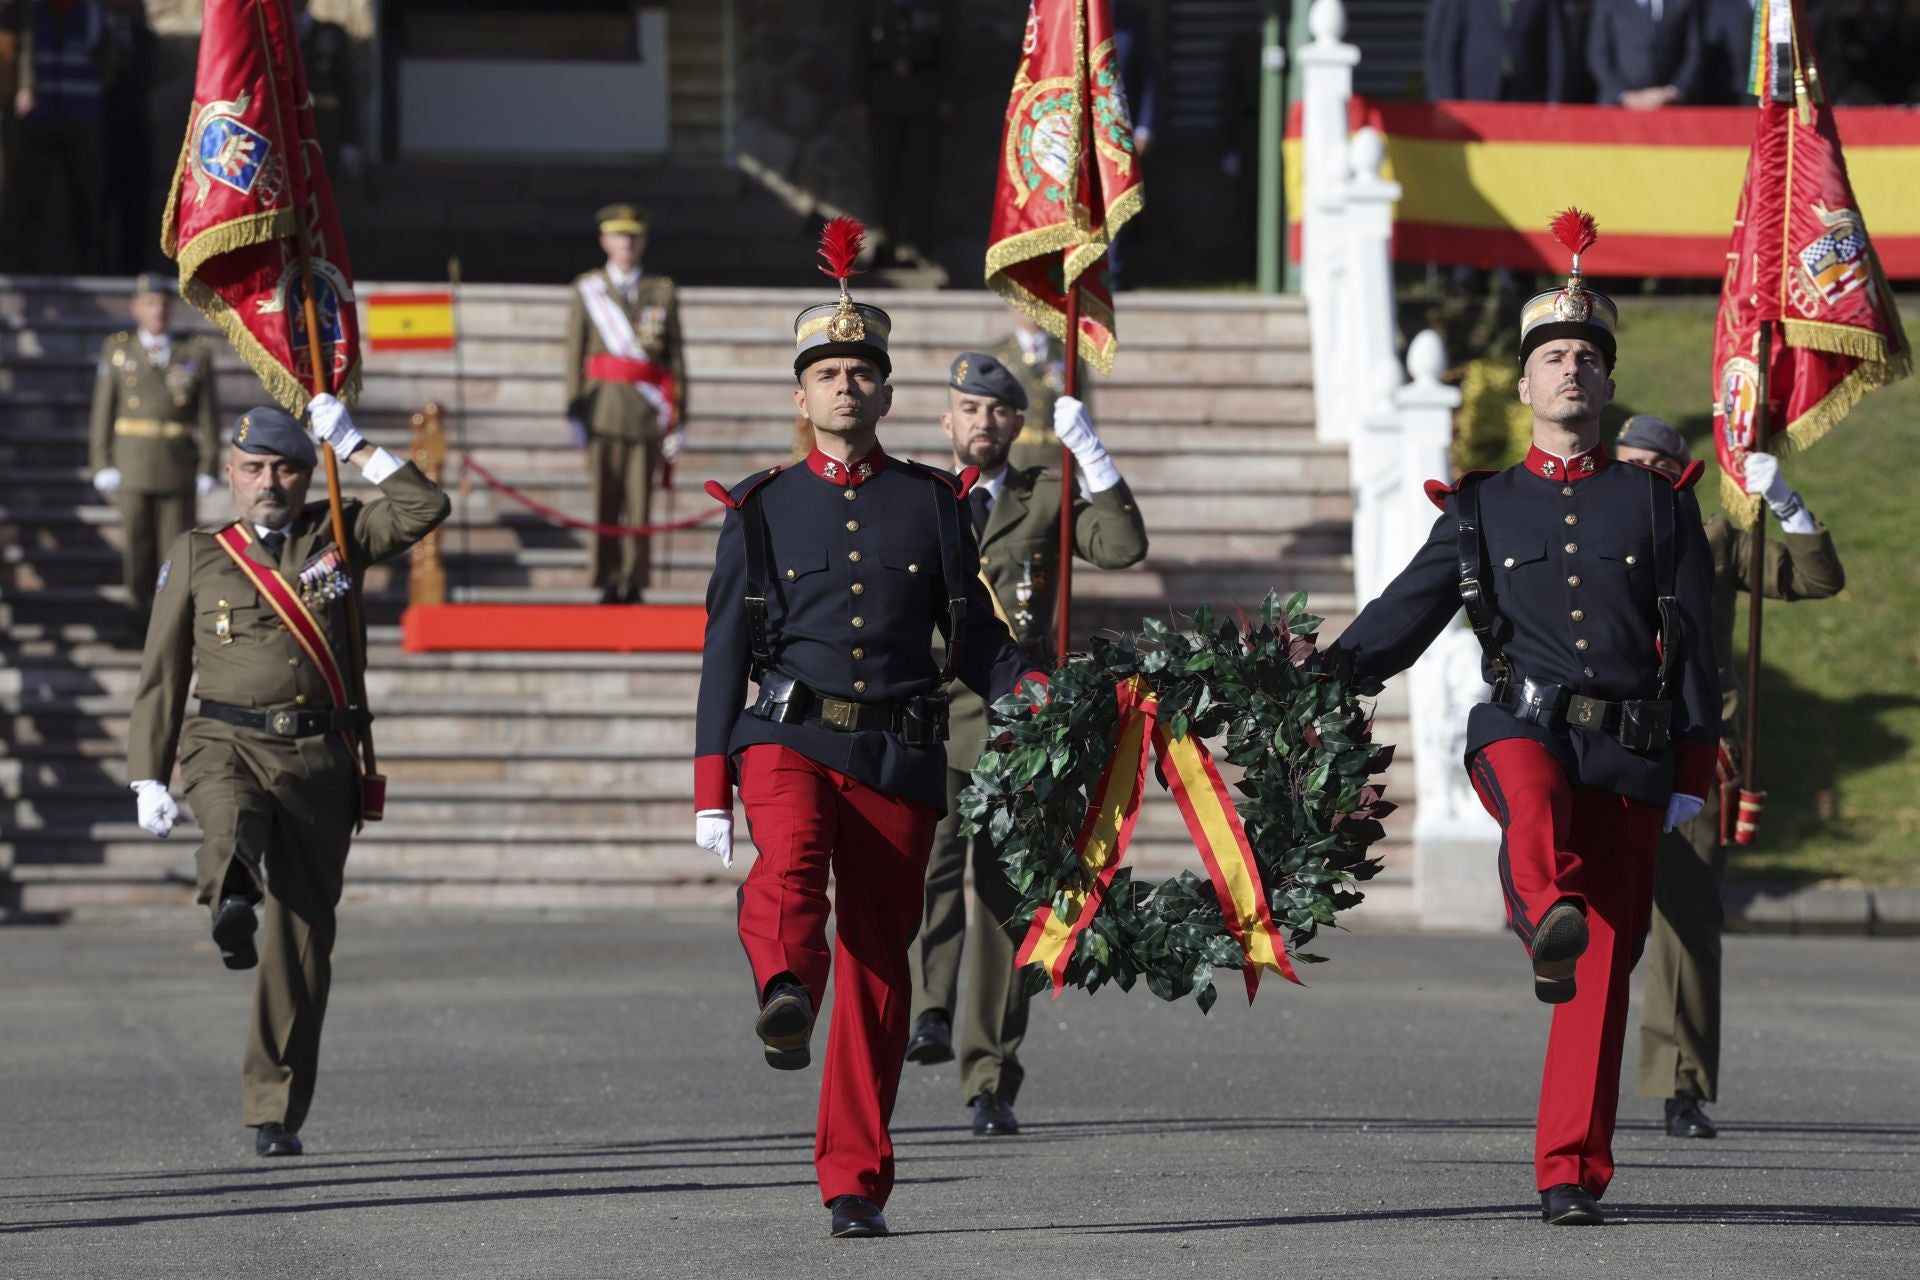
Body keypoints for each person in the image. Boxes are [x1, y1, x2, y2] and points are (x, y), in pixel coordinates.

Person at [1328, 219, 1719, 1226]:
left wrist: (1692, 764)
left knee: (1601, 971)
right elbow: (1401, 619)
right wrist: (1318, 678)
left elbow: (1700, 645)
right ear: (1524, 384)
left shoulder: (1660, 505)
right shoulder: (1483, 506)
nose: (1573, 369)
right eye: (1553, 356)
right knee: (1534, 798)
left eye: (1590, 356)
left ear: (1606, 382)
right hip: (1522, 726)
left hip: (1631, 758)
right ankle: (1543, 903)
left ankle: (1568, 1171)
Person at [692, 227, 1044, 1238]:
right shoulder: (759, 508)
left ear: (886, 396)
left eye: (862, 372)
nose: (846, 385)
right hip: (788, 735)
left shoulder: (933, 504)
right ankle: (784, 985)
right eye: (828, 372)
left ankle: (855, 1177)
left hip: (898, 749)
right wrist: (710, 783)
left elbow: (976, 637)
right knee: (791, 863)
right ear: (799, 397)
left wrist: (1031, 686)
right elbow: (724, 652)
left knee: (884, 965)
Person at [125, 395, 450, 1157]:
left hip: (317, 758)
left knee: (302, 939)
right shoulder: (200, 553)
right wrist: (147, 772)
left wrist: (358, 444)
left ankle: (273, 1108)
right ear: (228, 475)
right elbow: (163, 670)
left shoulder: (337, 530)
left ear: (308, 473)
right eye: (252, 468)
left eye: (285, 466)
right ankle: (230, 893)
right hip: (224, 741)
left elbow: (424, 506)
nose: (268, 481)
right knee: (233, 823)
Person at [904, 352, 1148, 1136]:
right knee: (926, 879)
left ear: (1017, 423)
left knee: (1009, 905)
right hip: (929, 722)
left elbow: (1120, 548)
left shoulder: (1044, 498)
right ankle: (928, 1013)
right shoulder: (917, 500)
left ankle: (990, 1079)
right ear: (947, 420)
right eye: (969, 410)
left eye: (998, 411)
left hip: (1018, 732)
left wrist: (1093, 458)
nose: (983, 422)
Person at [1614, 415, 1845, 1140]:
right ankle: (1575, 1083)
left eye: (1659, 464)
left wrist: (1782, 502)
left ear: (1687, 474)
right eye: (1631, 464)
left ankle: (1680, 1087)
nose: (1645, 476)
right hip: (1601, 743)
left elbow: (1817, 577)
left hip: (1691, 749)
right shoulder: (1582, 529)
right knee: (1589, 920)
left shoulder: (1715, 540)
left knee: (1686, 923)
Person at [562, 203, 687, 603]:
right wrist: (574, 408)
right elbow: (574, 353)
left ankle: (633, 580)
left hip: (648, 413)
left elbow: (676, 359)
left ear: (644, 239)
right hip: (603, 410)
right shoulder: (588, 289)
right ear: (605, 240)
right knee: (605, 501)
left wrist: (680, 419)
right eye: (618, 234)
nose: (626, 242)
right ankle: (606, 579)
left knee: (639, 504)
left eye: (633, 235)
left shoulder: (661, 290)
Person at [89, 273, 221, 641]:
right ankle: (137, 625)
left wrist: (209, 463)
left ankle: (173, 628)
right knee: (137, 552)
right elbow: (103, 411)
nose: (157, 310)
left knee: (176, 552)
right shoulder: (117, 351)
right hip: (132, 464)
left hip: (178, 463)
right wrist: (101, 462)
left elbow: (209, 414)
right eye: (149, 304)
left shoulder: (193, 351)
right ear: (135, 308)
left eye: (163, 304)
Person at [3, 0, 105, 273]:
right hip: (37, 119)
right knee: (27, 200)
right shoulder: (28, 11)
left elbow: (108, 58)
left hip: (83, 117)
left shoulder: (93, 11)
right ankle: (24, 269)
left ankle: (91, 270)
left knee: (86, 202)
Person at [985, 309, 1094, 473]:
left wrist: (1082, 467)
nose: (1031, 309)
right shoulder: (996, 354)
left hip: (1057, 458)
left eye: (1038, 302)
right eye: (1023, 302)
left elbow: (1083, 409)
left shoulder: (1069, 353)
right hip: (1011, 455)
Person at [1425, 0, 1571, 104]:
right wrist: (1447, 100)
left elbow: (1558, 50)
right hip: (1476, 94)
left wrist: (1555, 100)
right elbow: (1444, 49)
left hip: (1530, 95)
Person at [292, 0, 362, 181]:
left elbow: (346, 90)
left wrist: (350, 140)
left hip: (324, 129)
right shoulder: (273, 34)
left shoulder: (331, 34)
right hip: (287, 128)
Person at [1587, 0, 1704, 108]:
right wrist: (1625, 95)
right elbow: (1598, 54)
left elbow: (1694, 53)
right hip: (1618, 105)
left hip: (1669, 106)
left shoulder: (1683, 3)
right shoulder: (1609, 3)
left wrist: (1671, 91)